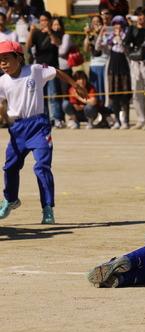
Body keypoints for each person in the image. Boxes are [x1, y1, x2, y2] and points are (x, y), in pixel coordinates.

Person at [0, 41, 87, 224]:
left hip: (38, 126)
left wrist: (74, 85)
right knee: (10, 167)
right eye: (0, 61)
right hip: (17, 128)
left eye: (7, 59)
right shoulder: (2, 81)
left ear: (19, 58)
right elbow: (1, 104)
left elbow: (57, 71)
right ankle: (11, 199)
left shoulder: (35, 70)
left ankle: (47, 208)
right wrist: (5, 118)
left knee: (42, 166)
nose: (3, 64)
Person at [26, 12, 64, 128]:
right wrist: (32, 31)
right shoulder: (36, 33)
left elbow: (57, 43)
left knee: (53, 94)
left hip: (51, 67)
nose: (43, 23)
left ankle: (56, 118)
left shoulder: (55, 32)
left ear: (50, 21)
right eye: (41, 20)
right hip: (39, 68)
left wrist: (50, 32)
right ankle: (45, 118)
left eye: (45, 20)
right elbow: (27, 46)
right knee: (41, 95)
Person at [98, 14, 130, 129]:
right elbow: (98, 47)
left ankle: (126, 120)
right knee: (114, 96)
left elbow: (125, 49)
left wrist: (119, 38)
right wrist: (101, 34)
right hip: (113, 67)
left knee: (124, 96)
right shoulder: (110, 37)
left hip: (124, 67)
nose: (117, 26)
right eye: (115, 24)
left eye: (120, 24)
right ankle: (117, 120)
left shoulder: (126, 35)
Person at [84, 15, 107, 104]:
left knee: (104, 89)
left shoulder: (105, 34)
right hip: (94, 65)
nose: (96, 24)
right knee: (95, 90)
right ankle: (97, 108)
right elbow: (85, 49)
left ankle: (106, 108)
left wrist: (99, 33)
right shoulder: (91, 35)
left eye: (98, 22)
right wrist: (87, 35)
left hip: (104, 64)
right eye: (93, 22)